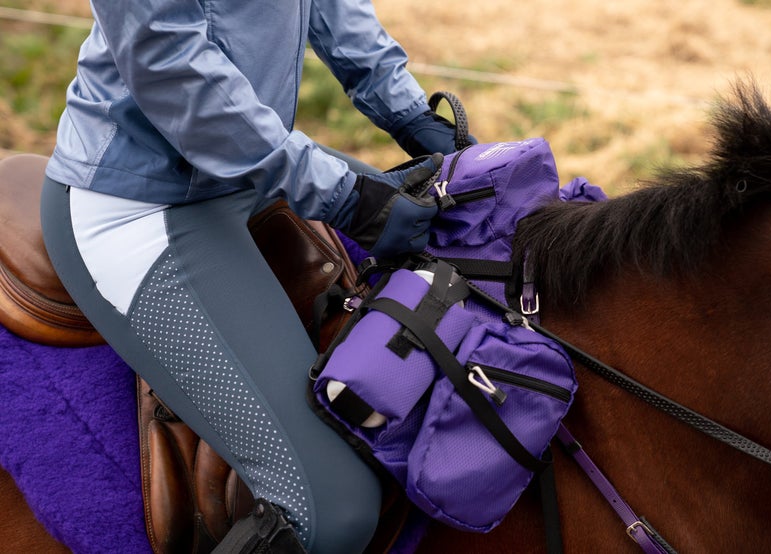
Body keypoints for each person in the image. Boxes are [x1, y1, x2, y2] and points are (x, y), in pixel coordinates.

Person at [39, 1, 471, 552]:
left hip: (252, 165)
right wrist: (345, 198)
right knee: (332, 513)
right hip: (141, 203)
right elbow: (169, 61)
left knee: (469, 249)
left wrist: (411, 115)